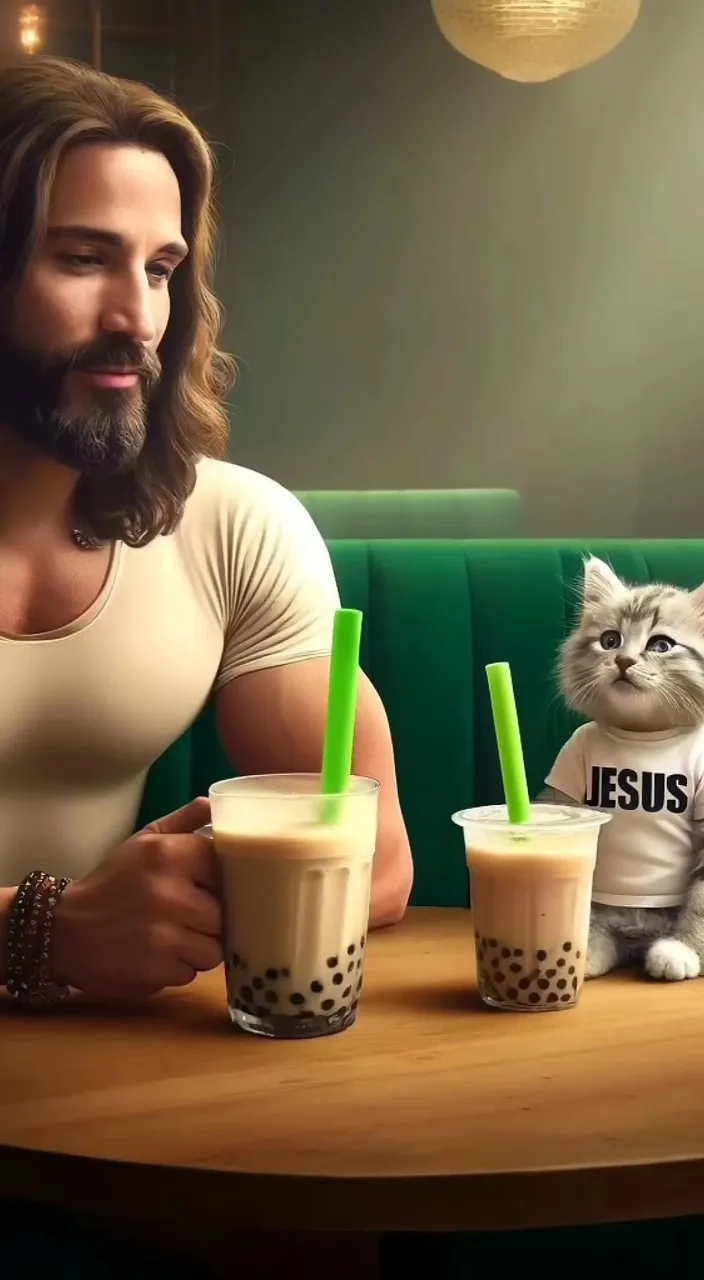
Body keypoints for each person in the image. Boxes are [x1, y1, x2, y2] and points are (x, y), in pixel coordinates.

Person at [0, 55, 413, 1006]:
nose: (136, 317)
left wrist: (219, 887)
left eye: (159, 269)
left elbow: (378, 864)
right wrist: (41, 930)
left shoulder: (232, 524)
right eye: (82, 258)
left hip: (98, 1075)